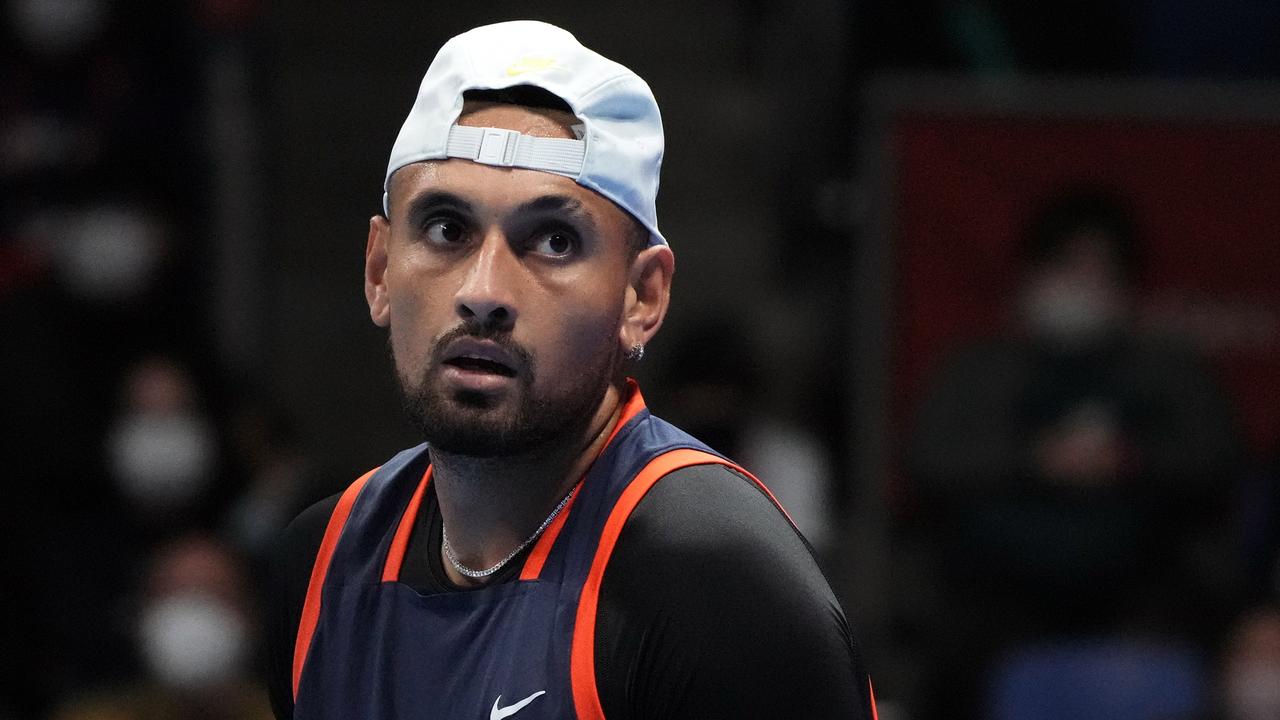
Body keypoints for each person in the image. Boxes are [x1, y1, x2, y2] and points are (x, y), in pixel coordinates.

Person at [265, 20, 876, 720]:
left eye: (554, 241)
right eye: (446, 229)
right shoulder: (321, 565)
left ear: (641, 297)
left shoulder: (715, 583)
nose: (484, 291)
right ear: (379, 269)